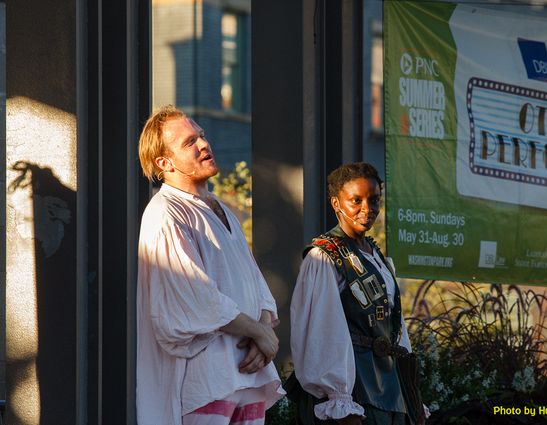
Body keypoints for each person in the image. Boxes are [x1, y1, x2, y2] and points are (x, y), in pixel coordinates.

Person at [136, 105, 284, 425]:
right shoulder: (165, 213)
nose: (204, 144)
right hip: (205, 379)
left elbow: (253, 281)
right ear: (165, 162)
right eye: (190, 142)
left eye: (201, 136)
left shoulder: (221, 209)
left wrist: (263, 330)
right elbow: (195, 296)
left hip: (247, 371)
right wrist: (260, 333)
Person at [289, 163, 427, 425]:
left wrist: (411, 393)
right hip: (353, 390)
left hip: (390, 386)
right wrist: (339, 399)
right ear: (336, 203)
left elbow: (395, 328)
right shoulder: (323, 256)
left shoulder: (377, 257)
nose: (368, 208)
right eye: (356, 200)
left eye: (374, 200)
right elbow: (321, 330)